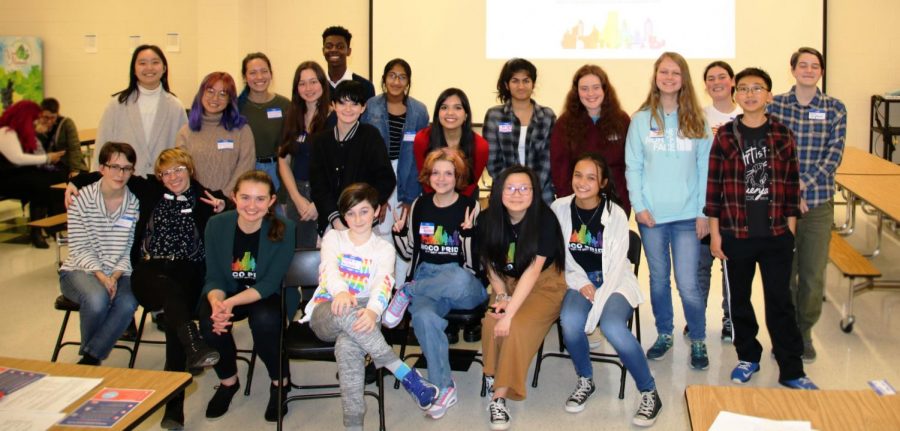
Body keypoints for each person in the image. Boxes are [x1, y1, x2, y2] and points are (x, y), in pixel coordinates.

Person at [66, 148, 227, 429]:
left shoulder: (204, 197)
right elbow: (114, 171)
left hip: (188, 271)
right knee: (174, 301)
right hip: (149, 270)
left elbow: (233, 209)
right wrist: (74, 182)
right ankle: (191, 347)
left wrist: (224, 204)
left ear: (189, 169)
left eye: (179, 169)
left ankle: (175, 405)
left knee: (176, 312)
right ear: (159, 176)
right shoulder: (149, 190)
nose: (173, 176)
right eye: (166, 172)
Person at [707, 67, 818, 390]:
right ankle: (748, 356)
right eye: (744, 88)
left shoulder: (782, 134)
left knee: (780, 302)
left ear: (769, 95)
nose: (750, 94)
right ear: (736, 95)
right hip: (735, 234)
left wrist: (790, 232)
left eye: (758, 88)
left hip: (776, 235)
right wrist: (715, 234)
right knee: (739, 300)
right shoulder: (726, 135)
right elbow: (714, 189)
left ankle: (791, 368)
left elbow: (791, 186)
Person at [302, 183, 439, 430]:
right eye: (351, 213)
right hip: (327, 306)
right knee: (346, 312)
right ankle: (402, 372)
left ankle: (354, 424)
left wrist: (374, 310)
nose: (357, 219)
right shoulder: (334, 237)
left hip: (366, 309)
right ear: (343, 215)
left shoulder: (384, 248)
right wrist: (341, 292)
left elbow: (383, 283)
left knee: (347, 349)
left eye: (364, 211)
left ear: (376, 212)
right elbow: (329, 270)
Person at [553, 153, 661, 426]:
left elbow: (614, 268)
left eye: (591, 177)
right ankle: (585, 379)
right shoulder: (559, 208)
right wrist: (582, 283)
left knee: (612, 326)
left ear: (602, 183)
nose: (582, 182)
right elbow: (560, 258)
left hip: (614, 280)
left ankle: (649, 390)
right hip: (579, 279)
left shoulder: (616, 214)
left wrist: (598, 301)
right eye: (578, 175)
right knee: (570, 322)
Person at [382, 148, 487, 419]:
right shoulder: (420, 204)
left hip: (462, 279)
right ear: (428, 176)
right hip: (428, 276)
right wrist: (397, 234)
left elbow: (475, 266)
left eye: (448, 173)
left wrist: (468, 235)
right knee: (425, 317)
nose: (441, 178)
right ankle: (443, 386)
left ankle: (407, 292)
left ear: (458, 176)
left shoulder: (470, 206)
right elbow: (409, 254)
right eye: (436, 172)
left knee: (457, 278)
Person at [625, 52, 712, 370]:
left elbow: (705, 168)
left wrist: (704, 211)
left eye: (676, 72)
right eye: (664, 71)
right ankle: (664, 333)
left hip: (689, 216)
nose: (669, 77)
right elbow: (632, 167)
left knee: (688, 283)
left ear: (684, 78)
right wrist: (640, 206)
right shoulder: (641, 120)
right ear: (656, 76)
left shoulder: (698, 120)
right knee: (659, 280)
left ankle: (699, 338)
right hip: (652, 218)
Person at [768, 47, 846, 363]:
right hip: (779, 205)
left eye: (815, 66)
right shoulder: (776, 106)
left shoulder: (834, 108)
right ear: (793, 69)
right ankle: (785, 335)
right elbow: (769, 149)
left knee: (812, 277)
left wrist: (803, 184)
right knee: (783, 275)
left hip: (817, 203)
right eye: (803, 65)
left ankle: (805, 335)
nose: (809, 70)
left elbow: (833, 155)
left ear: (821, 72)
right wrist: (788, 186)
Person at [199, 170, 296, 422]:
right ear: (233, 196)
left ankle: (279, 382)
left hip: (267, 293)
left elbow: (270, 283)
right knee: (210, 324)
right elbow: (215, 277)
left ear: (272, 201)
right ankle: (228, 382)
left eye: (260, 199)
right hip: (228, 290)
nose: (252, 206)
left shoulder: (285, 229)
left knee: (265, 322)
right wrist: (217, 304)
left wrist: (229, 304)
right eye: (245, 197)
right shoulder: (216, 225)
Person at [479, 166, 566, 430]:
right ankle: (493, 373)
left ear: (534, 192)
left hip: (544, 284)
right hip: (506, 282)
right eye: (510, 188)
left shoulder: (545, 219)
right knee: (491, 321)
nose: (517, 194)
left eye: (524, 188)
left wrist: (511, 312)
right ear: (499, 192)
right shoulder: (487, 219)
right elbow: (489, 264)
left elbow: (533, 270)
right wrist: (502, 295)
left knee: (512, 326)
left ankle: (499, 398)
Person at [58, 142, 140, 366]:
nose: (120, 174)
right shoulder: (80, 198)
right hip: (80, 269)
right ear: (101, 168)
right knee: (97, 299)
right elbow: (78, 245)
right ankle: (92, 358)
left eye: (126, 168)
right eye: (114, 167)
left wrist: (113, 276)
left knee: (128, 301)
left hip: (120, 271)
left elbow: (130, 247)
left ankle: (91, 357)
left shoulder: (135, 203)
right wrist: (101, 276)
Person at [309, 80, 396, 235]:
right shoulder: (321, 141)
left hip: (364, 223)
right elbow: (318, 186)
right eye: (342, 103)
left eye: (354, 104)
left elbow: (386, 179)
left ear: (363, 108)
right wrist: (336, 220)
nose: (348, 109)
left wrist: (363, 212)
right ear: (333, 105)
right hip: (331, 223)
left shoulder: (371, 136)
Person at [361, 58, 430, 237]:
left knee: (403, 231)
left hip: (408, 174)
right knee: (377, 230)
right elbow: (364, 151)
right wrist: (378, 195)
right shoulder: (370, 106)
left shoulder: (419, 111)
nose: (396, 82)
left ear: (408, 82)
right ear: (384, 79)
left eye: (402, 77)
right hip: (377, 173)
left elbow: (420, 158)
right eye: (392, 76)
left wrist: (410, 197)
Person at [95, 45, 188, 176]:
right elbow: (101, 147)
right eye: (142, 63)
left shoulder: (175, 106)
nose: (149, 68)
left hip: (163, 183)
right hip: (124, 183)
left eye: (155, 62)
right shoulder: (117, 105)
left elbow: (183, 152)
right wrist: (95, 181)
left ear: (164, 68)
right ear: (134, 69)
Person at [699, 61, 742, 342]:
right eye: (711, 78)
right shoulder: (699, 116)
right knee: (700, 268)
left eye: (722, 77)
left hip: (736, 207)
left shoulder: (746, 114)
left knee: (732, 268)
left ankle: (730, 317)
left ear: (732, 80)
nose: (717, 82)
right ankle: (696, 317)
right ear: (706, 85)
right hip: (703, 205)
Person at [551, 65, 631, 214]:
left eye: (596, 87)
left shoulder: (622, 120)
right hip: (578, 201)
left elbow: (630, 163)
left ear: (605, 90)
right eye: (584, 88)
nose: (590, 93)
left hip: (616, 202)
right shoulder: (565, 123)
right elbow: (559, 166)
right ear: (576, 92)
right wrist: (570, 199)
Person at [483, 58, 556, 204]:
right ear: (507, 85)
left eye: (526, 80)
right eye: (515, 81)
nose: (521, 86)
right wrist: (513, 189)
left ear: (533, 84)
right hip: (505, 195)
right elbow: (492, 162)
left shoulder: (547, 116)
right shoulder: (495, 116)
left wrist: (531, 189)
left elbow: (548, 160)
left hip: (541, 196)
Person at [278, 61, 331, 248]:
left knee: (324, 253)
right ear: (296, 88)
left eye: (313, 81)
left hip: (326, 194)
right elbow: (283, 161)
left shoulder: (334, 118)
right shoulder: (292, 117)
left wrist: (318, 203)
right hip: (297, 193)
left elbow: (338, 165)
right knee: (298, 253)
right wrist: (296, 197)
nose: (308, 88)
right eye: (302, 83)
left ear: (323, 84)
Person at [177, 71, 256, 195]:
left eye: (223, 94)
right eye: (210, 91)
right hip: (196, 201)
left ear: (230, 99)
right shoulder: (185, 132)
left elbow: (245, 168)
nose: (215, 98)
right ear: (201, 93)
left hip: (231, 201)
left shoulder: (242, 130)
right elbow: (181, 170)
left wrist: (224, 196)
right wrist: (200, 196)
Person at [0, 100, 65, 248]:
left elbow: (33, 149)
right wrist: (47, 158)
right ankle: (38, 230)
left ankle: (50, 226)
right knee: (40, 183)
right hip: (5, 177)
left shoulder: (20, 130)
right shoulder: (6, 132)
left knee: (54, 177)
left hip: (15, 173)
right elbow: (18, 158)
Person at [413, 88, 489, 199]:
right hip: (431, 197)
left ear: (466, 115)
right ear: (437, 113)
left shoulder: (480, 146)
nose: (450, 113)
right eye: (444, 107)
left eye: (457, 108)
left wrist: (452, 207)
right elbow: (425, 178)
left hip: (465, 199)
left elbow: (470, 184)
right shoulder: (422, 139)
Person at [238, 52, 291, 192]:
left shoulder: (284, 105)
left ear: (271, 74)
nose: (259, 77)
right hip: (246, 170)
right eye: (253, 73)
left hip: (279, 170)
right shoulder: (236, 107)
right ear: (245, 77)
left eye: (264, 71)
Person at [36, 98, 88, 178]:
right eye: (46, 117)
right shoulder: (37, 126)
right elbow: (37, 151)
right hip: (47, 165)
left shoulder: (66, 124)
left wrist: (75, 170)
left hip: (66, 165)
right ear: (41, 114)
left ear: (57, 114)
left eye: (52, 117)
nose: (49, 121)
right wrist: (39, 134)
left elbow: (74, 148)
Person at [321, 26, 375, 101]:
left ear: (349, 51)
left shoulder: (365, 86)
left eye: (340, 47)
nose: (333, 50)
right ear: (323, 50)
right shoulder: (317, 85)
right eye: (329, 46)